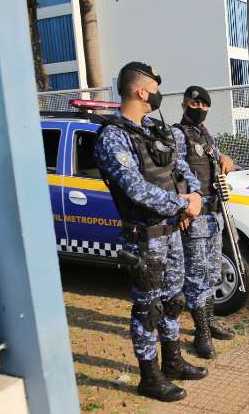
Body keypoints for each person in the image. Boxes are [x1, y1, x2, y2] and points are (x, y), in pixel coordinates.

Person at [94, 62, 207, 402]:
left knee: (173, 300)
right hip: (145, 237)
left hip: (172, 232)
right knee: (148, 309)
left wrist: (196, 194)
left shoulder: (155, 131)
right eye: (155, 88)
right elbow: (136, 189)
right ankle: (150, 376)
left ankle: (172, 361)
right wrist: (183, 204)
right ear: (142, 91)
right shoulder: (113, 137)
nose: (159, 94)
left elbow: (183, 168)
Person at [175, 86, 236, 360]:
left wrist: (224, 158)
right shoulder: (177, 134)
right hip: (194, 216)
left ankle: (209, 322)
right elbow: (172, 172)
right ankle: (201, 334)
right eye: (193, 103)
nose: (198, 108)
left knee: (212, 273)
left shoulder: (206, 135)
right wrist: (180, 210)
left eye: (203, 105)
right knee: (197, 276)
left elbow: (213, 160)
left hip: (214, 214)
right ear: (185, 104)